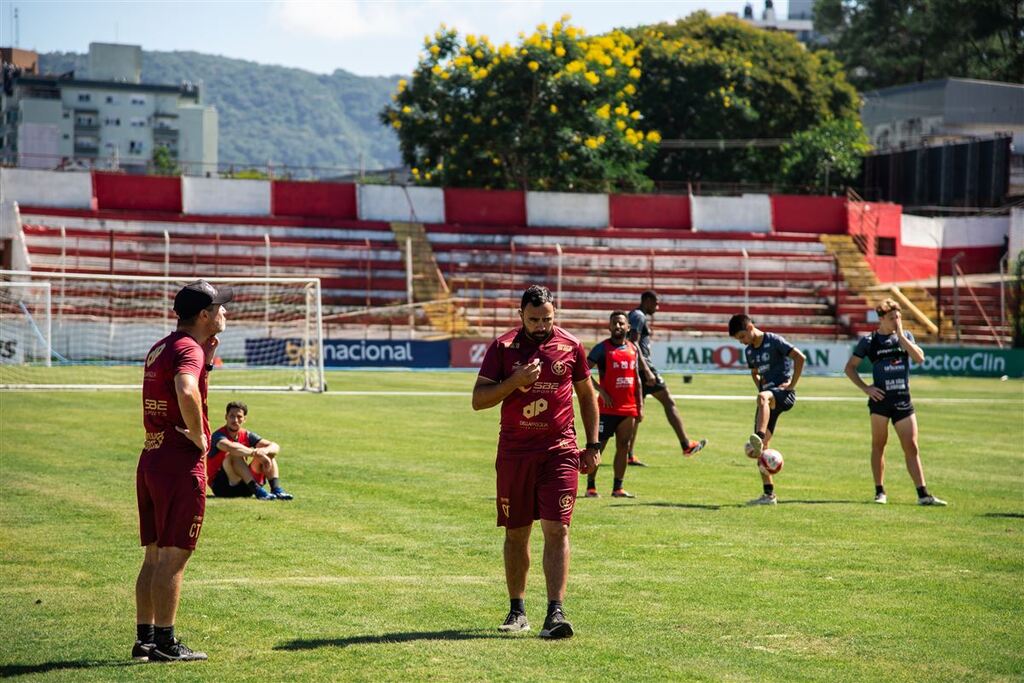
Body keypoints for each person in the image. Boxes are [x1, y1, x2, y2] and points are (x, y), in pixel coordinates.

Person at [472, 285, 600, 640]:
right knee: (517, 533)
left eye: (547, 318)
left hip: (560, 451)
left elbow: (588, 396)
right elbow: (479, 400)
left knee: (557, 529)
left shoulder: (571, 345)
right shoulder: (503, 347)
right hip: (514, 454)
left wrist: (592, 444)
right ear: (520, 315)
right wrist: (514, 382)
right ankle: (517, 611)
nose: (542, 325)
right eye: (534, 319)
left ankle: (555, 612)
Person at [133, 279, 231, 663]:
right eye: (220, 307)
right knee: (174, 558)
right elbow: (186, 388)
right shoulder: (188, 350)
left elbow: (183, 380)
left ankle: (145, 639)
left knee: (155, 557)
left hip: (152, 456)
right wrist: (199, 435)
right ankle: (166, 643)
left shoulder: (165, 345)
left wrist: (206, 360)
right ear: (204, 316)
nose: (226, 312)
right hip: (179, 463)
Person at [844, 299, 947, 506]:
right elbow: (850, 368)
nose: (897, 321)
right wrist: (867, 388)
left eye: (898, 317)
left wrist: (901, 336)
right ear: (881, 319)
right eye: (892, 318)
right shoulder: (869, 341)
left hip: (903, 400)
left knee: (911, 446)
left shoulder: (905, 336)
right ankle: (880, 492)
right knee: (879, 445)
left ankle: (923, 494)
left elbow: (920, 359)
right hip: (880, 402)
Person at [729, 313, 806, 506]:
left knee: (762, 400)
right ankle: (768, 495)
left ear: (749, 328)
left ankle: (760, 436)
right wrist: (761, 387)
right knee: (761, 451)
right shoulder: (749, 352)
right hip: (768, 398)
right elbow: (755, 373)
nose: (742, 342)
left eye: (742, 337)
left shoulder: (773, 340)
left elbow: (800, 358)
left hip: (782, 394)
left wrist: (791, 385)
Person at [627, 290, 707, 464]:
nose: (658, 307)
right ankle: (686, 444)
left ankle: (629, 454)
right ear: (647, 301)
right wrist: (646, 369)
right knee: (668, 402)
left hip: (637, 368)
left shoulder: (636, 315)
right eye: (655, 303)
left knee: (636, 413)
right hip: (643, 368)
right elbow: (633, 343)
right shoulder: (639, 316)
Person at [585, 311, 644, 498]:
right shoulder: (601, 349)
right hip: (605, 409)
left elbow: (636, 379)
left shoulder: (633, 349)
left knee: (623, 447)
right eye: (614, 323)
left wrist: (640, 405)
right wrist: (601, 391)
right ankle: (591, 487)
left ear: (628, 327)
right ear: (609, 327)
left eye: (621, 323)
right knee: (598, 447)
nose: (618, 326)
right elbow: (583, 372)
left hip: (628, 408)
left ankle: (618, 488)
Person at [207, 401, 293, 501]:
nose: (235, 420)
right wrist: (254, 453)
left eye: (239, 416)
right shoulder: (218, 436)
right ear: (226, 417)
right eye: (232, 416)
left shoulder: (247, 435)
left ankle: (277, 490)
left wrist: (264, 451)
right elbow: (231, 447)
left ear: (244, 419)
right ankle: (257, 490)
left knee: (269, 453)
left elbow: (275, 446)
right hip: (222, 487)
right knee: (234, 455)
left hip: (246, 486)